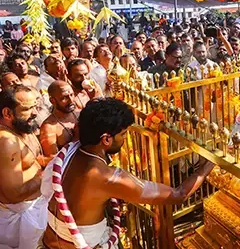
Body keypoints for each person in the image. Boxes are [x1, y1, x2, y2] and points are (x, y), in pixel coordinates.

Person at [41, 98, 214, 249]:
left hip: (51, 240)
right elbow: (179, 194)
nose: (125, 139)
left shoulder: (72, 151)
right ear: (106, 139)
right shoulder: (107, 177)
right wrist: (209, 163)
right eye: (123, 134)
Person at [0, 85, 48, 249]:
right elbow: (14, 194)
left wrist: (53, 160)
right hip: (17, 223)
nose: (35, 112)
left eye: (35, 106)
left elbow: (31, 160)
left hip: (34, 210)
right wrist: (47, 174)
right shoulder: (5, 141)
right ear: (7, 113)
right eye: (27, 109)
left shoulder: (23, 128)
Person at [40, 81, 78, 161]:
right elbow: (52, 160)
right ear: (52, 101)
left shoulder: (79, 114)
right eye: (64, 98)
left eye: (71, 95)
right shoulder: (49, 127)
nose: (71, 100)